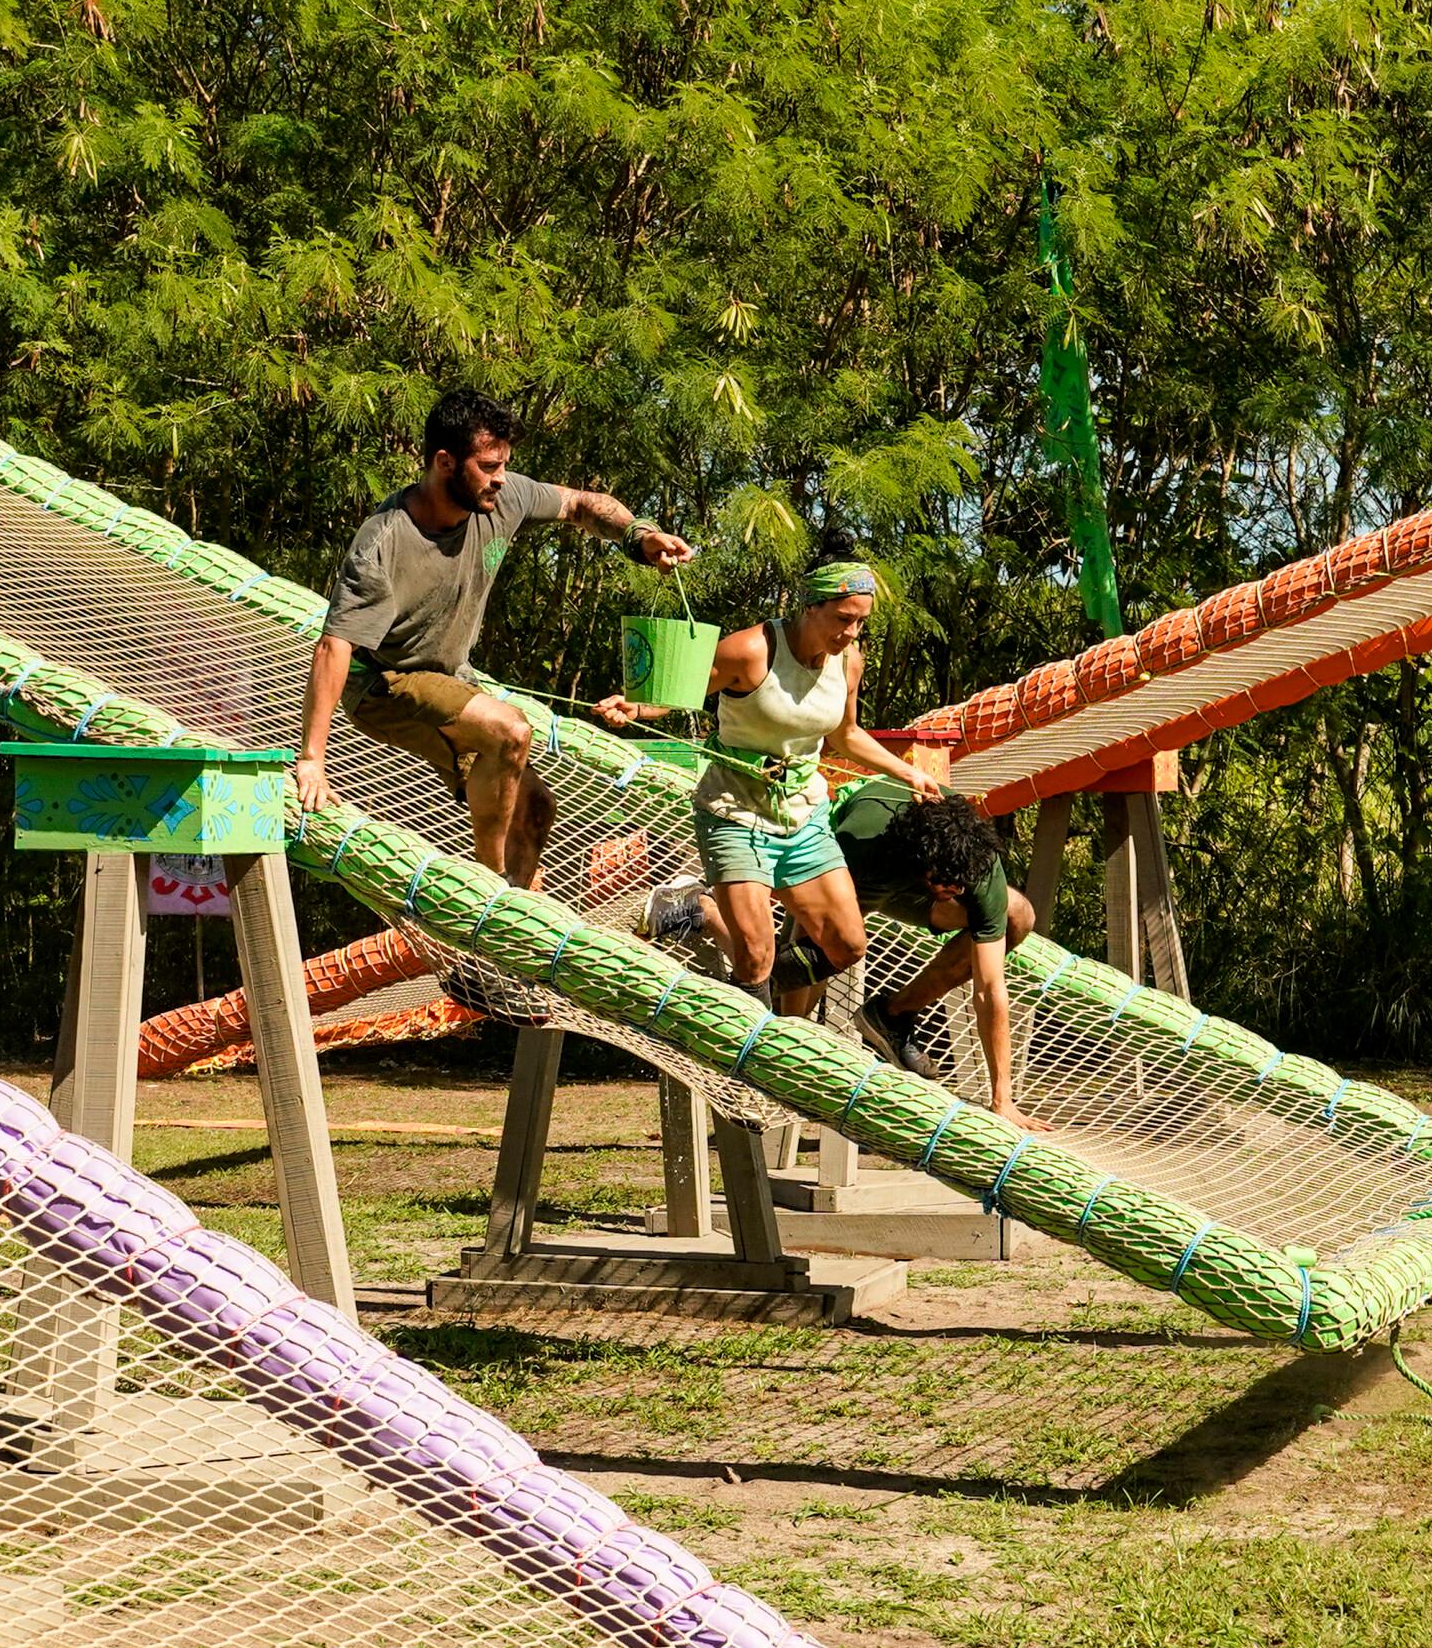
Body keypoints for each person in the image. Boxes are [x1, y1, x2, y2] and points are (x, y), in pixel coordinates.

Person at [292, 389, 693, 883]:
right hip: (384, 683)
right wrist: (312, 759)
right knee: (510, 731)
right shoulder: (383, 542)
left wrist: (640, 537)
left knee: (535, 807)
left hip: (451, 679)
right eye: (488, 466)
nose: (500, 478)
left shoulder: (501, 499)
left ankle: (508, 912)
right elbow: (334, 645)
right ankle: (491, 884)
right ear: (445, 462)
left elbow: (581, 504)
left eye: (504, 465)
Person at [595, 539, 939, 1012]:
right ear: (810, 605)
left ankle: (706, 922)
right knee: (756, 956)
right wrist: (633, 706)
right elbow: (682, 693)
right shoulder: (750, 650)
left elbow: (846, 734)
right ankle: (747, 1042)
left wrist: (907, 773)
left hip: (804, 818)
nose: (852, 633)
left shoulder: (850, 662)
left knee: (846, 945)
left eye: (861, 622)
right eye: (843, 619)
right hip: (733, 813)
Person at [763, 782, 1036, 1122]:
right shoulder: (862, 842)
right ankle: (779, 1032)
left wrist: (1002, 1099)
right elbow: (807, 922)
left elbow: (990, 989)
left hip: (915, 889)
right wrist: (792, 1028)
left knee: (1018, 914)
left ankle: (892, 1014)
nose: (954, 890)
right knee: (824, 953)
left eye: (960, 886)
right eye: (946, 882)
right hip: (855, 872)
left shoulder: (978, 867)